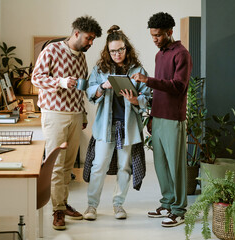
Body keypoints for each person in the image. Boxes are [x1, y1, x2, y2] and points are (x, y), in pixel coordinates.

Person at [31, 15, 102, 230]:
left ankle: (61, 203)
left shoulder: (81, 56)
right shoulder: (52, 50)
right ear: (77, 33)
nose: (91, 43)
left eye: (93, 40)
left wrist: (84, 116)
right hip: (54, 114)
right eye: (89, 38)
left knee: (68, 166)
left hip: (75, 115)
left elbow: (81, 89)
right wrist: (61, 82)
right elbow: (36, 78)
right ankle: (57, 211)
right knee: (56, 164)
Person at [83, 25, 151, 221]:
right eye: (113, 51)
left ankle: (118, 205)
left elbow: (148, 97)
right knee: (99, 165)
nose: (117, 54)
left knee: (124, 166)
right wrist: (102, 87)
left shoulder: (138, 70)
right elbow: (89, 92)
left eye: (120, 49)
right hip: (106, 125)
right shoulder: (100, 69)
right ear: (108, 51)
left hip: (127, 126)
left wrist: (135, 100)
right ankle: (91, 206)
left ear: (126, 48)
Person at [132, 12, 192, 227]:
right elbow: (158, 92)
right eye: (152, 36)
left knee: (176, 166)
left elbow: (178, 87)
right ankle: (167, 202)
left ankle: (179, 210)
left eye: (158, 35)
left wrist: (148, 80)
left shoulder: (181, 54)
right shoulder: (160, 55)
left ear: (169, 32)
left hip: (173, 119)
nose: (155, 39)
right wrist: (151, 117)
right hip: (158, 118)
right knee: (161, 165)